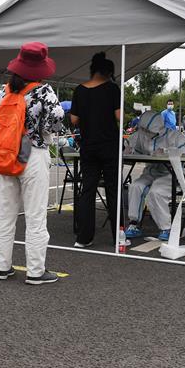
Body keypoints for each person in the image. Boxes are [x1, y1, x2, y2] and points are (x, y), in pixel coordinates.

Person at [0, 42, 64, 285]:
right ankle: (36, 271)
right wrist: (40, 131)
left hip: (6, 154)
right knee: (35, 215)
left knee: (4, 214)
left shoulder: (5, 91)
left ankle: (2, 267)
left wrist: (6, 135)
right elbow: (57, 120)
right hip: (33, 155)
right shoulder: (43, 91)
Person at [69, 52, 121, 248]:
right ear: (108, 72)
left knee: (87, 190)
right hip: (109, 145)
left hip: (88, 146)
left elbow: (74, 120)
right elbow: (118, 116)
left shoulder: (79, 90)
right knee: (113, 189)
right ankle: (118, 236)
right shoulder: (112, 89)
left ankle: (84, 237)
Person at [124, 110, 185, 241]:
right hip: (151, 172)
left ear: (157, 128)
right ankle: (134, 224)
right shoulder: (142, 134)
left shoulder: (173, 136)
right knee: (135, 186)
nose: (145, 133)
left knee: (156, 192)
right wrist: (127, 149)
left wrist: (168, 152)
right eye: (143, 129)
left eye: (148, 130)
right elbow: (130, 144)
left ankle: (166, 228)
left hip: (171, 174)